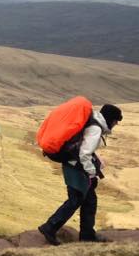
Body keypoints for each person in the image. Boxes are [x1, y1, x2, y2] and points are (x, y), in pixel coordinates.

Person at [38, 104, 123, 245]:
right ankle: (50, 227)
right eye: (115, 121)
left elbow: (84, 149)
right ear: (109, 119)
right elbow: (84, 153)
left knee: (89, 200)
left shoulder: (92, 122)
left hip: (74, 165)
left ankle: (87, 235)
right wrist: (92, 173)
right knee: (75, 199)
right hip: (76, 167)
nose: (115, 124)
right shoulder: (96, 129)